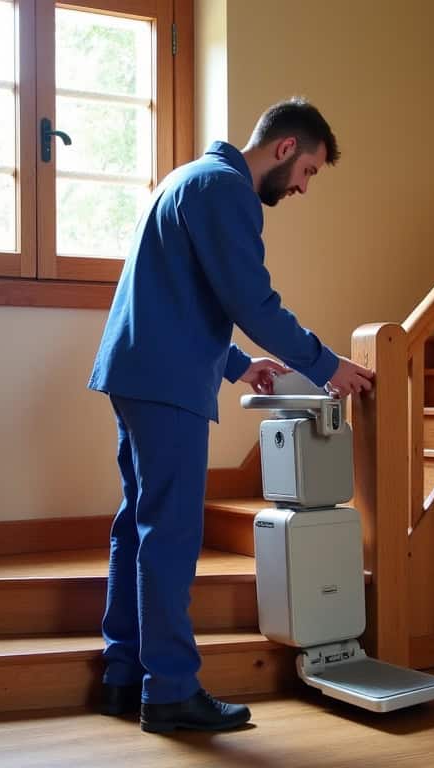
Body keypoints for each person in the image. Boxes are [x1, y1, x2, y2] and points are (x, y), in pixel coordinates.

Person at [87, 97, 374, 734]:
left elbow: (182, 293)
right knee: (169, 534)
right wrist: (327, 365)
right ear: (285, 148)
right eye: (309, 171)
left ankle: (123, 674)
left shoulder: (188, 179)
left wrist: (237, 365)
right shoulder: (225, 191)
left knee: (138, 525)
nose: (303, 187)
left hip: (135, 371)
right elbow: (252, 301)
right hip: (165, 383)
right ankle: (170, 691)